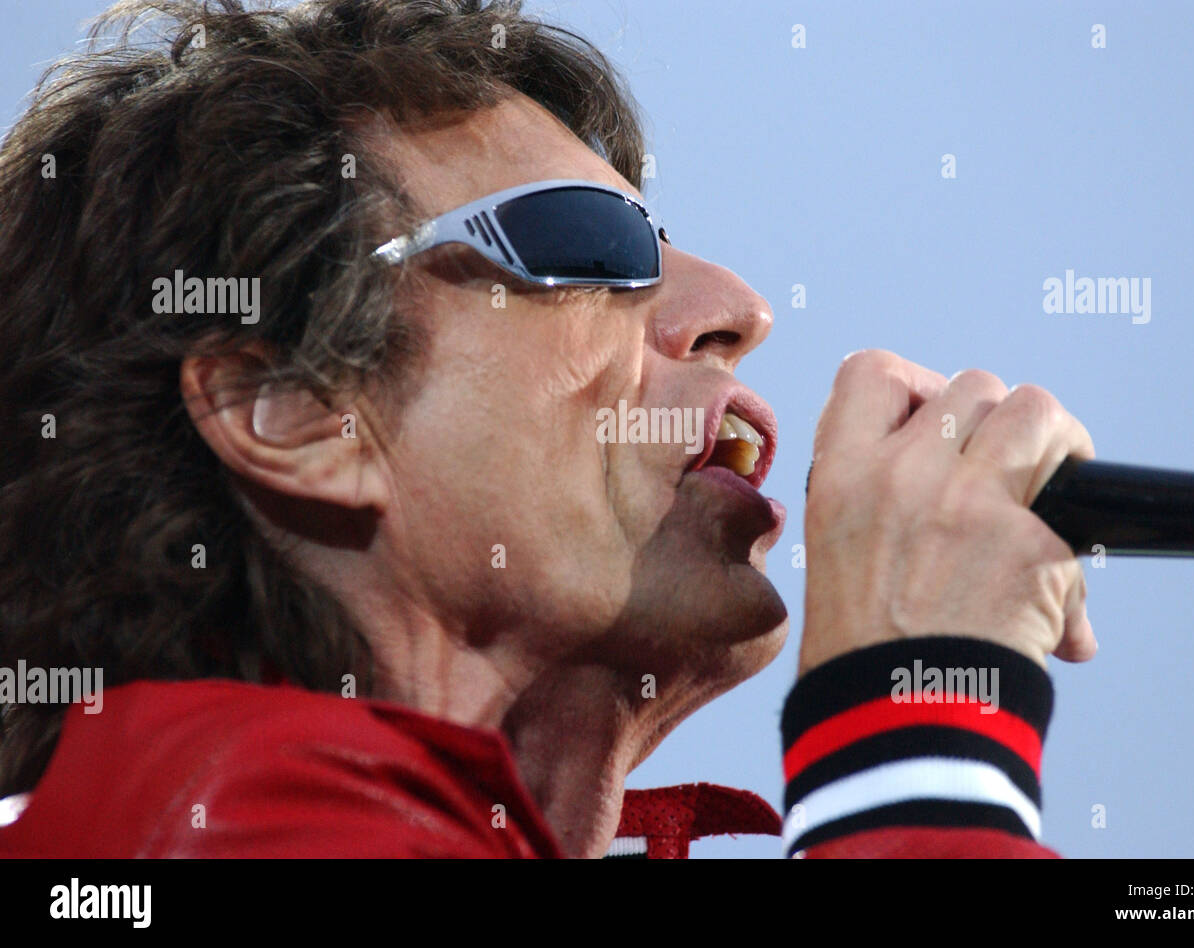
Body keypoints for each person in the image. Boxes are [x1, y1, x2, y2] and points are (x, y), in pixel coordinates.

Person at [0, 0, 1095, 858]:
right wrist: (919, 723)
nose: (738, 309)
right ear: (293, 417)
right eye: (590, 241)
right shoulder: (196, 816)